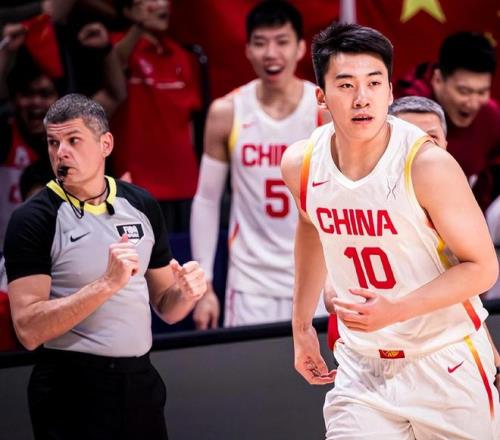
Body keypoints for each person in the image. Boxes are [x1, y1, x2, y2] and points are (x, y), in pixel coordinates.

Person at [281, 22, 499, 439]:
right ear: (321, 97)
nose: (362, 98)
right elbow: (310, 224)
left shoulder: (427, 165)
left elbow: (483, 268)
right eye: (346, 85)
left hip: (445, 360)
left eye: (374, 83)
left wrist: (396, 309)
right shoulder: (301, 164)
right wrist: (301, 324)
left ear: (390, 92)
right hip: (362, 366)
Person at [3, 94, 207, 440]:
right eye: (53, 142)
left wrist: (187, 293)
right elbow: (28, 329)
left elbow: (166, 307)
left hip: (139, 381)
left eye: (73, 140)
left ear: (105, 144)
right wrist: (106, 284)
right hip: (70, 388)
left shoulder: (141, 204)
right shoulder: (33, 219)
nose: (61, 152)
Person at [190, 0, 328, 329]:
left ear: (300, 48)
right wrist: (204, 286)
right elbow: (207, 199)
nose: (271, 53)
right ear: (248, 50)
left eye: (282, 42)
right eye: (261, 43)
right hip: (250, 284)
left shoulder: (324, 111)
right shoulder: (227, 112)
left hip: (318, 278)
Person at [0, 16, 126, 249]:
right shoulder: (6, 133)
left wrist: (106, 49)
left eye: (45, 94)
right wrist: (6, 53)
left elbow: (114, 94)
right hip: (11, 255)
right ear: (15, 98)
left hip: (68, 252)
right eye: (27, 94)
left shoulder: (76, 128)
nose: (36, 102)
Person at [110, 0, 204, 232]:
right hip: (137, 184)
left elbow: (190, 122)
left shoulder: (183, 55)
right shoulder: (117, 48)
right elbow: (114, 65)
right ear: (129, 10)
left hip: (185, 183)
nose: (162, 4)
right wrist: (138, 27)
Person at [396, 32, 500, 211]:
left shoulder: (491, 116)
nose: (473, 103)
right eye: (464, 91)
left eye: (482, 92)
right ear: (437, 79)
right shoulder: (405, 115)